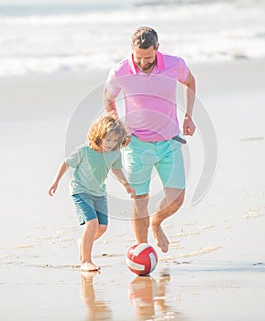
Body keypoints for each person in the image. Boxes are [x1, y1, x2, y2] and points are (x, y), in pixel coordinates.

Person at [104, 26, 196, 253]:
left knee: (177, 199)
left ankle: (156, 223)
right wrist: (117, 127)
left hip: (170, 141)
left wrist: (188, 116)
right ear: (132, 50)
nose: (144, 62)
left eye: (149, 57)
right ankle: (142, 248)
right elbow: (108, 99)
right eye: (139, 57)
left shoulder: (175, 64)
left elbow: (190, 82)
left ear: (157, 48)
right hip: (135, 144)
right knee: (140, 199)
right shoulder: (120, 71)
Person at [48, 115, 135, 271]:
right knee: (92, 223)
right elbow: (66, 163)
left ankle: (83, 243)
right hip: (80, 190)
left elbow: (116, 169)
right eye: (108, 139)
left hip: (99, 193)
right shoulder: (84, 151)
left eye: (115, 140)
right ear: (98, 136)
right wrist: (55, 182)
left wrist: (126, 185)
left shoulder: (114, 153)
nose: (111, 144)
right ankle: (86, 261)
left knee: (102, 227)